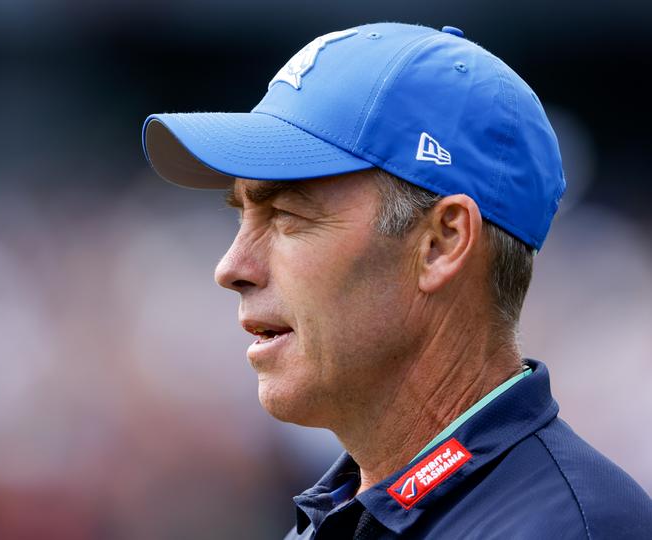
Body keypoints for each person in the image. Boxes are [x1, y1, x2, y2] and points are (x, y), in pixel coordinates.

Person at [140, 22, 652, 539]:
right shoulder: (339, 516)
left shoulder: (570, 528)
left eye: (288, 215)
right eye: (242, 216)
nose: (231, 267)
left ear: (442, 244)